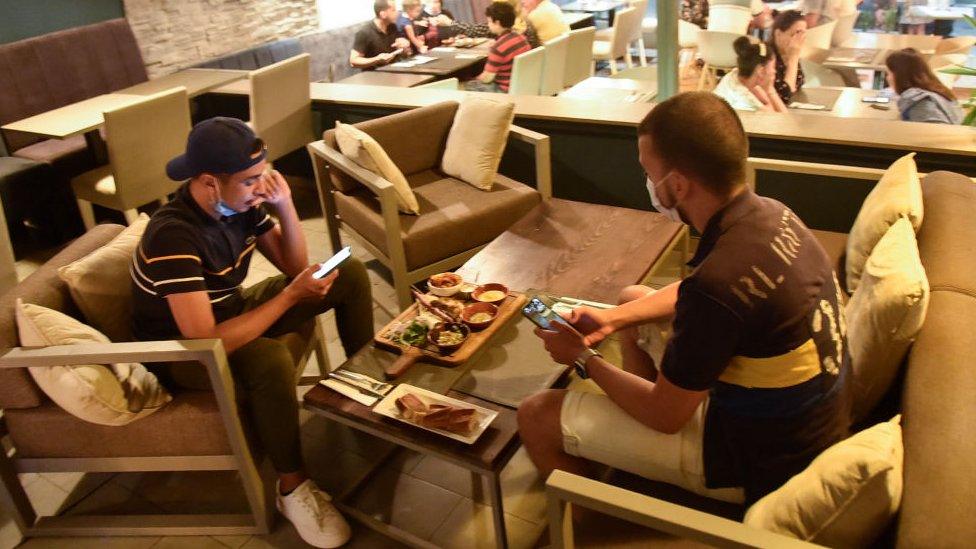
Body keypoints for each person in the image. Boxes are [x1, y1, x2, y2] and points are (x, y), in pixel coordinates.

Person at [517, 92, 852, 507]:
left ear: (676, 184)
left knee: (535, 414)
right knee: (633, 298)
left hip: (755, 462)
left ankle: (593, 515)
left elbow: (666, 417)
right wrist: (616, 319)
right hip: (799, 424)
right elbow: (706, 294)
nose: (648, 184)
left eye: (648, 172)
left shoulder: (719, 285)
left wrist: (582, 358)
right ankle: (626, 422)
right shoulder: (770, 214)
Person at [131, 117, 375, 548]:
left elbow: (293, 267)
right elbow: (204, 340)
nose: (261, 188)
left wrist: (285, 207)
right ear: (209, 182)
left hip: (228, 311)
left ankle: (366, 389)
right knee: (269, 358)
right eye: (251, 181)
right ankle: (292, 487)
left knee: (347, 272)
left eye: (264, 176)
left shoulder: (238, 204)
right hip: (182, 351)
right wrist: (288, 297)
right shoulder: (174, 234)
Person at [464, 2, 532, 93]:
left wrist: (474, 78)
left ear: (497, 22)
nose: (488, 25)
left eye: (489, 21)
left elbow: (487, 78)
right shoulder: (521, 38)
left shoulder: (498, 47)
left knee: (468, 85)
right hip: (523, 85)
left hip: (504, 90)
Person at [886, 48, 964, 124]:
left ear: (900, 75)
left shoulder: (917, 99)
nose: (887, 78)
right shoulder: (941, 92)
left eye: (889, 73)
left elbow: (929, 133)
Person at [714, 37, 788, 112]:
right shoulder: (746, 105)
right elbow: (785, 120)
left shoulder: (735, 75)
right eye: (773, 67)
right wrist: (770, 90)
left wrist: (768, 90)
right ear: (761, 71)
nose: (774, 71)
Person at [350, 0, 411, 69]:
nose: (397, 13)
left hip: (394, 70)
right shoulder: (364, 32)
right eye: (393, 10)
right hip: (374, 75)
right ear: (383, 14)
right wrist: (377, 59)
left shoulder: (392, 26)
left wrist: (404, 47)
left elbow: (403, 53)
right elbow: (353, 61)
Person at [768, 10, 806, 103]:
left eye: (802, 35)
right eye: (796, 34)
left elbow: (799, 82)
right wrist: (793, 57)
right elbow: (785, 94)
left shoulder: (786, 54)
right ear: (778, 34)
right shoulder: (767, 57)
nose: (798, 40)